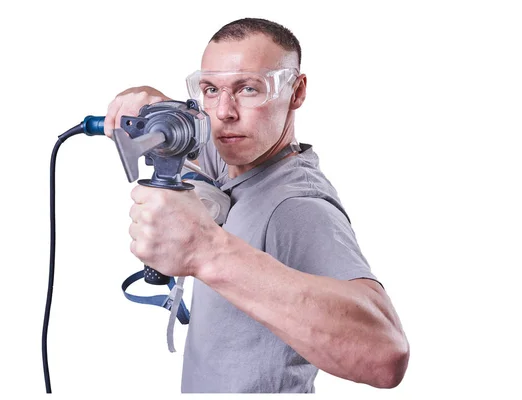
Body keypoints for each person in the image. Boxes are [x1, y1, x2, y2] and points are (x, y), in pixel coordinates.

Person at [104, 18, 409, 393]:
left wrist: (208, 252)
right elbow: (184, 133)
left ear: (295, 92)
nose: (223, 112)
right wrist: (144, 96)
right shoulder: (235, 156)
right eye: (211, 89)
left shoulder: (297, 206)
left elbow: (385, 356)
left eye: (248, 89)